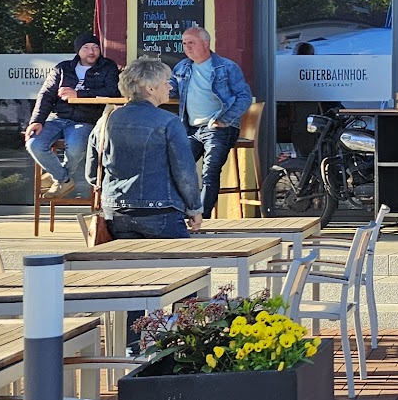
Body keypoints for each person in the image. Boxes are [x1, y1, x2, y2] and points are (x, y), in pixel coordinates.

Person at [88, 57, 202, 239]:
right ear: (150, 88)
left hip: (115, 212)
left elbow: (92, 174)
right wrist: (194, 208)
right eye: (166, 82)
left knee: (127, 258)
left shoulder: (105, 120)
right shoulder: (169, 122)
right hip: (161, 211)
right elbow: (184, 173)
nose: (170, 87)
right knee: (178, 258)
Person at [23, 32, 119, 198]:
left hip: (86, 119)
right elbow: (46, 95)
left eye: (95, 48)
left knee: (75, 147)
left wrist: (79, 94)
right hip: (57, 117)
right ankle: (63, 178)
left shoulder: (107, 67)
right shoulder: (63, 68)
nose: (91, 52)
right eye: (86, 48)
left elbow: (113, 92)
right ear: (78, 50)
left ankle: (57, 177)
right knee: (34, 144)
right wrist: (36, 120)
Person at [171, 24, 253, 218]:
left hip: (218, 127)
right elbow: (170, 88)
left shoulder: (227, 67)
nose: (187, 47)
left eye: (191, 43)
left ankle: (203, 218)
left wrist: (225, 119)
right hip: (191, 129)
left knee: (210, 170)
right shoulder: (182, 67)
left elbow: (245, 97)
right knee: (179, 168)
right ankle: (179, 213)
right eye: (184, 43)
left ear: (206, 43)